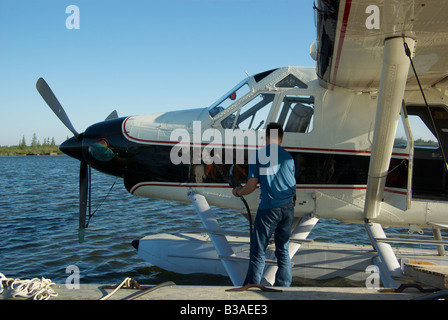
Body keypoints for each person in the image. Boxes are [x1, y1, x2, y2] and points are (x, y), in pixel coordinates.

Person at [232, 122, 296, 287]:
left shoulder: (258, 155)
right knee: (283, 250)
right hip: (288, 208)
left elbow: (251, 186)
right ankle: (284, 287)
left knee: (258, 251)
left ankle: (252, 287)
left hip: (269, 209)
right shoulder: (289, 157)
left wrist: (238, 192)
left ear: (266, 137)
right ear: (281, 139)